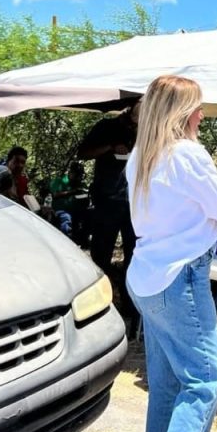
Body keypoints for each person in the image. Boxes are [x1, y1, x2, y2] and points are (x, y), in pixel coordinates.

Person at [123, 76, 217, 432]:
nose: (203, 114)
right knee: (205, 382)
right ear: (182, 113)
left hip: (147, 276)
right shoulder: (188, 155)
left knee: (168, 385)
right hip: (181, 278)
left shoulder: (141, 157)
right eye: (198, 106)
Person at [78, 102, 139, 322]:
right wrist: (111, 148)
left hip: (135, 203)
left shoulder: (148, 130)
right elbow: (82, 153)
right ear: (131, 107)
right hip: (107, 200)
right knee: (101, 255)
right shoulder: (107, 127)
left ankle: (132, 309)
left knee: (135, 257)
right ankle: (98, 307)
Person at [49, 161, 88, 242]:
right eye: (77, 174)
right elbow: (55, 195)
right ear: (71, 172)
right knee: (66, 218)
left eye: (80, 175)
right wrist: (73, 191)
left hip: (78, 211)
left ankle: (84, 240)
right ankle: (66, 242)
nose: (79, 177)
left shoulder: (81, 184)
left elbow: (86, 199)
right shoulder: (59, 180)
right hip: (61, 210)